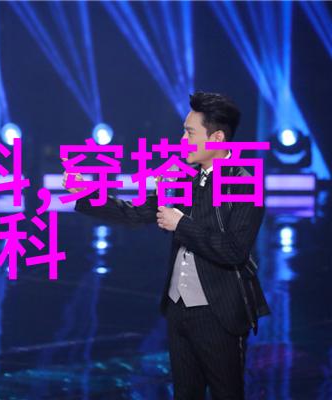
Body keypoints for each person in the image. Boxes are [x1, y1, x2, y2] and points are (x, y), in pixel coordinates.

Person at [65, 92, 270, 400]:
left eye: (190, 133)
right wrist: (87, 193)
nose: (182, 140)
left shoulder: (244, 184)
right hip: (178, 309)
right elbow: (135, 214)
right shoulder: (182, 179)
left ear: (217, 138)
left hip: (219, 313)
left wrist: (181, 224)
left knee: (227, 393)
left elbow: (233, 250)